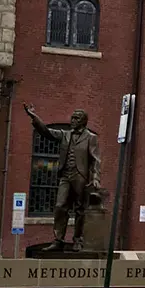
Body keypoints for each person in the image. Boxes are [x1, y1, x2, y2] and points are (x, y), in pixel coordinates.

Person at [23, 104, 101, 251]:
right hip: (66, 176)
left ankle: (78, 240)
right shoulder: (65, 134)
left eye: (76, 118)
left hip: (81, 176)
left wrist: (96, 178)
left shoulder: (91, 138)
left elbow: (96, 160)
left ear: (83, 121)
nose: (73, 120)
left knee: (80, 210)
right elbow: (46, 132)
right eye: (72, 117)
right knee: (60, 206)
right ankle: (58, 240)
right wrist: (34, 118)